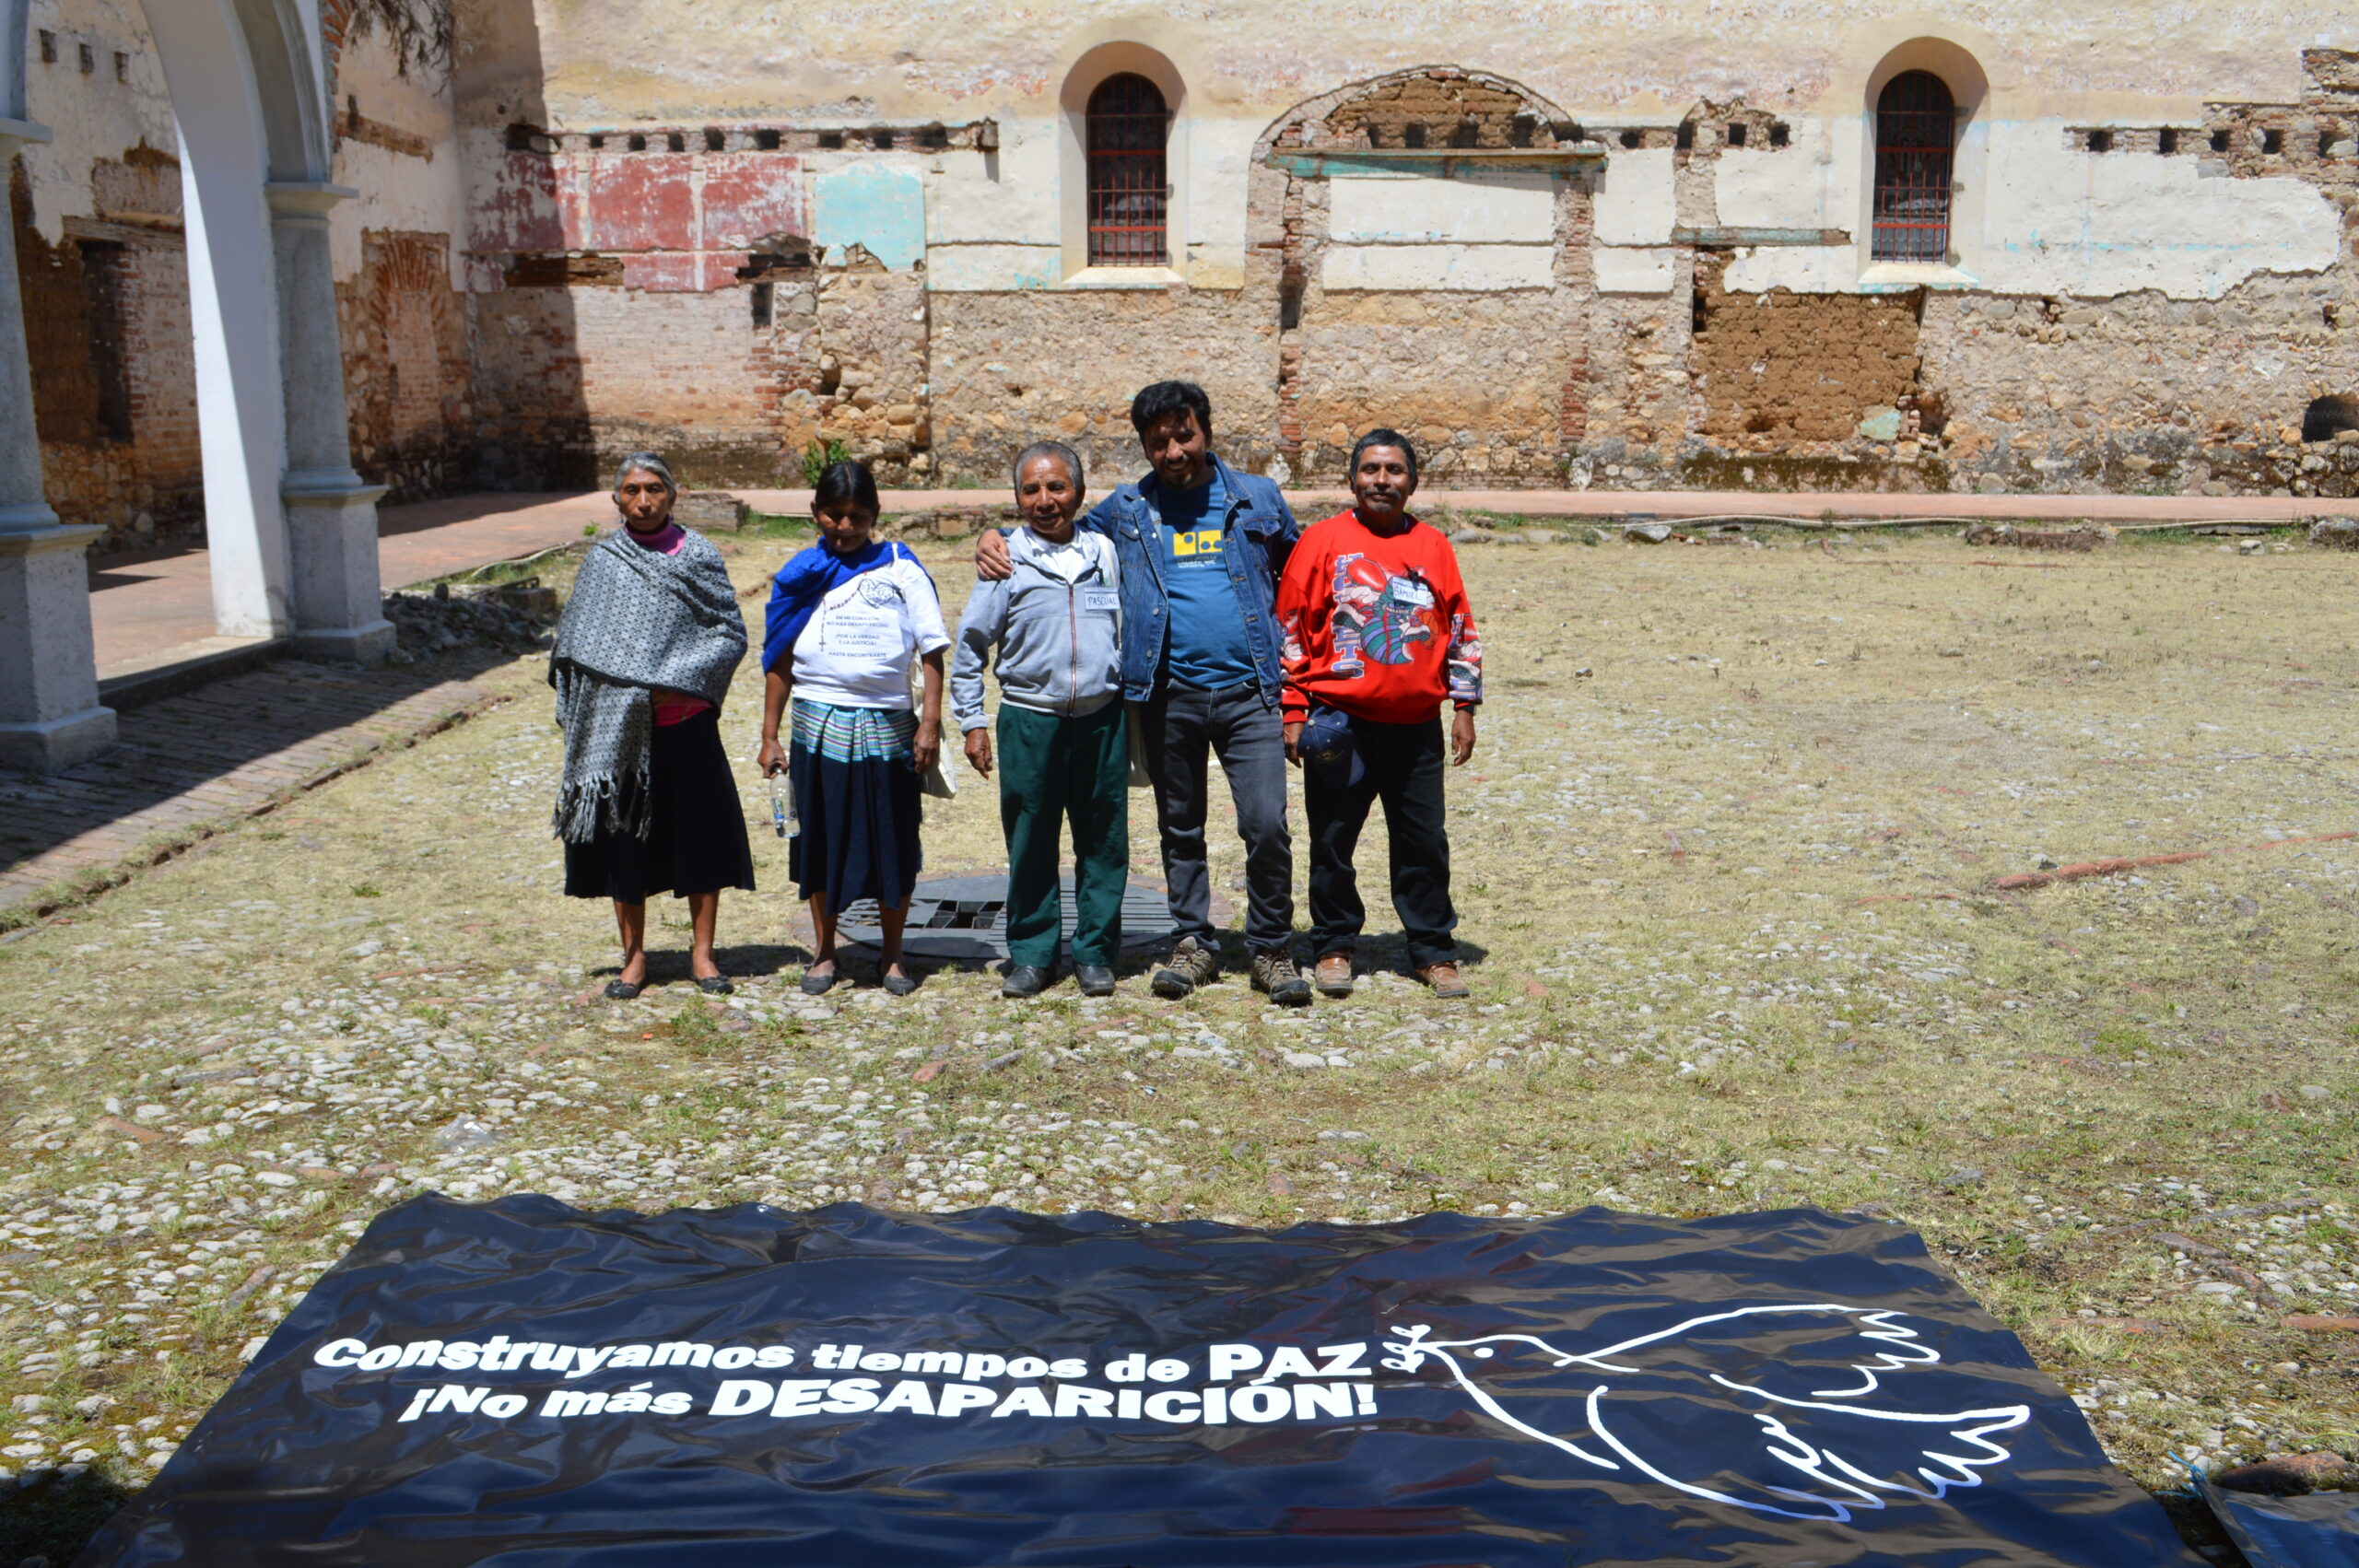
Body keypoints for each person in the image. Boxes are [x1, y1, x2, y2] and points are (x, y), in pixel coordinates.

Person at [975, 380, 1309, 1006]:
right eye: (1159, 442)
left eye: (1185, 436)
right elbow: (1056, 526)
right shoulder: (1127, 509)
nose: (1174, 451)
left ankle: (1270, 948)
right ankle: (1193, 942)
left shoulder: (1258, 497)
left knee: (1266, 824)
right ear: (1145, 447)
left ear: (1207, 432)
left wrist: (1301, 681)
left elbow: (1301, 570)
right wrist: (993, 535)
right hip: (1168, 693)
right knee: (1180, 827)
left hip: (1252, 692)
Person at [1276, 428, 1482, 1000]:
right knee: (1333, 841)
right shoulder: (1321, 541)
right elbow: (1290, 628)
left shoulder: (1434, 545)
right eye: (1370, 469)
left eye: (1394, 471)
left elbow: (1458, 626)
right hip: (1340, 723)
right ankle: (1333, 945)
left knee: (1423, 842)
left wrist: (1464, 705)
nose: (1381, 481)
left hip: (1416, 728)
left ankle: (1433, 950)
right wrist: (1294, 709)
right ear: (1352, 479)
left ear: (1412, 482)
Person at [549, 451, 753, 1000]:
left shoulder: (699, 555)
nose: (644, 501)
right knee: (625, 844)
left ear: (672, 495)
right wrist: (619, 689)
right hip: (618, 730)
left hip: (685, 721)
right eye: (633, 490)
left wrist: (676, 680)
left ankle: (703, 956)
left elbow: (728, 633)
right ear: (617, 499)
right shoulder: (603, 561)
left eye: (654, 489)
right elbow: (572, 643)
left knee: (700, 838)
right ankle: (634, 958)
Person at [757, 461, 949, 998]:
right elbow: (779, 659)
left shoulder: (901, 568)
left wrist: (930, 724)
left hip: (889, 727)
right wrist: (769, 735)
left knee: (893, 839)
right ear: (815, 512)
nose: (844, 527)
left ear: (876, 514)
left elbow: (932, 650)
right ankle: (825, 952)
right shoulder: (800, 575)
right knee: (818, 840)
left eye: (857, 516)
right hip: (816, 727)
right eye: (833, 515)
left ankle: (892, 954)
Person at [952, 441, 1128, 999]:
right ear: (1017, 498)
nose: (1044, 500)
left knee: (1103, 839)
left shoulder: (1103, 552)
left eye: (1056, 487)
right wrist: (972, 720)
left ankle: (1095, 953)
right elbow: (971, 645)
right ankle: (1031, 954)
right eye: (1030, 490)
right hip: (1030, 720)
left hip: (1102, 719)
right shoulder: (1005, 559)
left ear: (1079, 492)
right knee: (1030, 839)